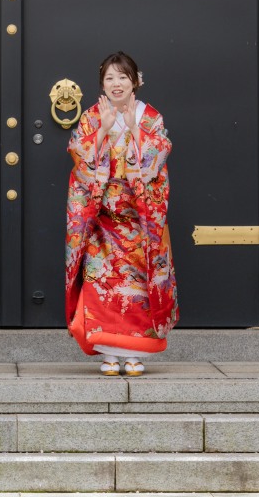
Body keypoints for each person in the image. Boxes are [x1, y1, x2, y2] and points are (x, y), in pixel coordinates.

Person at [65, 51, 178, 375]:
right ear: (102, 83)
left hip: (139, 219)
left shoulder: (150, 117)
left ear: (135, 81)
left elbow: (158, 157)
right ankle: (109, 354)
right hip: (101, 219)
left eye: (123, 77)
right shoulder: (92, 116)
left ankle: (134, 353)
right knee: (102, 284)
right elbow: (79, 155)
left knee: (137, 288)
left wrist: (135, 131)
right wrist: (102, 131)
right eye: (110, 78)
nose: (116, 84)